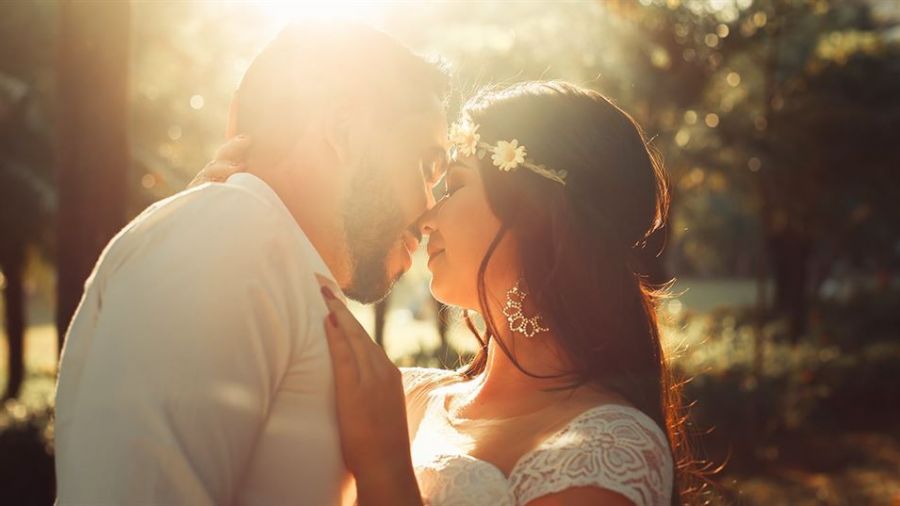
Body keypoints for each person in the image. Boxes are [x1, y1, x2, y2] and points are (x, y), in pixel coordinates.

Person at [205, 81, 699, 505]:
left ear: (533, 213)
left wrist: (385, 473)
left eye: (455, 185)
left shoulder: (609, 449)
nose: (426, 216)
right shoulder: (402, 397)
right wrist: (214, 219)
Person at [54, 21, 448, 506]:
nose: (433, 211)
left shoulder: (256, 249)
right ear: (343, 130)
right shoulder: (226, 234)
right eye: (429, 167)